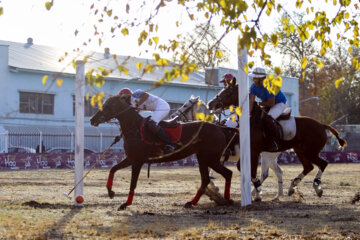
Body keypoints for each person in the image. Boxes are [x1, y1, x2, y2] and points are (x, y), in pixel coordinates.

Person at [118, 88, 178, 153]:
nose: (123, 100)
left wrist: (137, 105)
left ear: (127, 94)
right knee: (145, 125)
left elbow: (145, 95)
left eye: (123, 97)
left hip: (162, 107)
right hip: (157, 109)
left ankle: (171, 144)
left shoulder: (135, 94)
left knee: (151, 124)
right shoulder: (132, 104)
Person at [248, 67, 288, 151]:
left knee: (268, 118)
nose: (253, 79)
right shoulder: (253, 87)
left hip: (279, 103)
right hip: (268, 104)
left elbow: (271, 103)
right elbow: (251, 102)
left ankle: (273, 142)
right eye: (253, 78)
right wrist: (248, 114)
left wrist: (259, 103)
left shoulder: (269, 85)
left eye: (255, 78)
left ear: (261, 78)